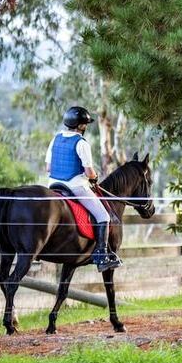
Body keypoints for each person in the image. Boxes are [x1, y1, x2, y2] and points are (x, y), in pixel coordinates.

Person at [46, 106, 122, 271]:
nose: (86, 127)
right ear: (80, 126)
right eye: (85, 124)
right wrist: (94, 178)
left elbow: (48, 167)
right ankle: (101, 256)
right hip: (75, 187)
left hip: (54, 185)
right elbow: (89, 172)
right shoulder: (81, 143)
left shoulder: (55, 139)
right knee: (103, 216)